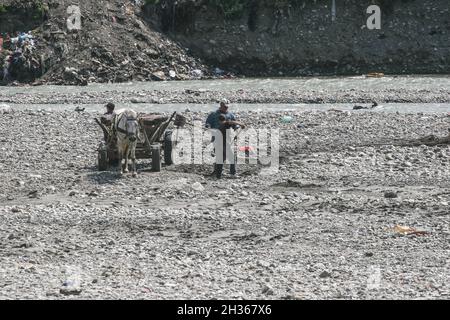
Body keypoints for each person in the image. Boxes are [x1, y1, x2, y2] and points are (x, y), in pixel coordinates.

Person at [206, 100, 245, 179]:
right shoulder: (213, 114)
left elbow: (234, 124)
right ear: (221, 105)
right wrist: (208, 128)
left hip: (226, 138)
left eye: (227, 107)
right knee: (225, 157)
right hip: (217, 138)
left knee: (221, 157)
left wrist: (237, 129)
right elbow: (208, 123)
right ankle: (228, 173)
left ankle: (217, 174)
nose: (226, 108)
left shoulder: (230, 115)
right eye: (225, 107)